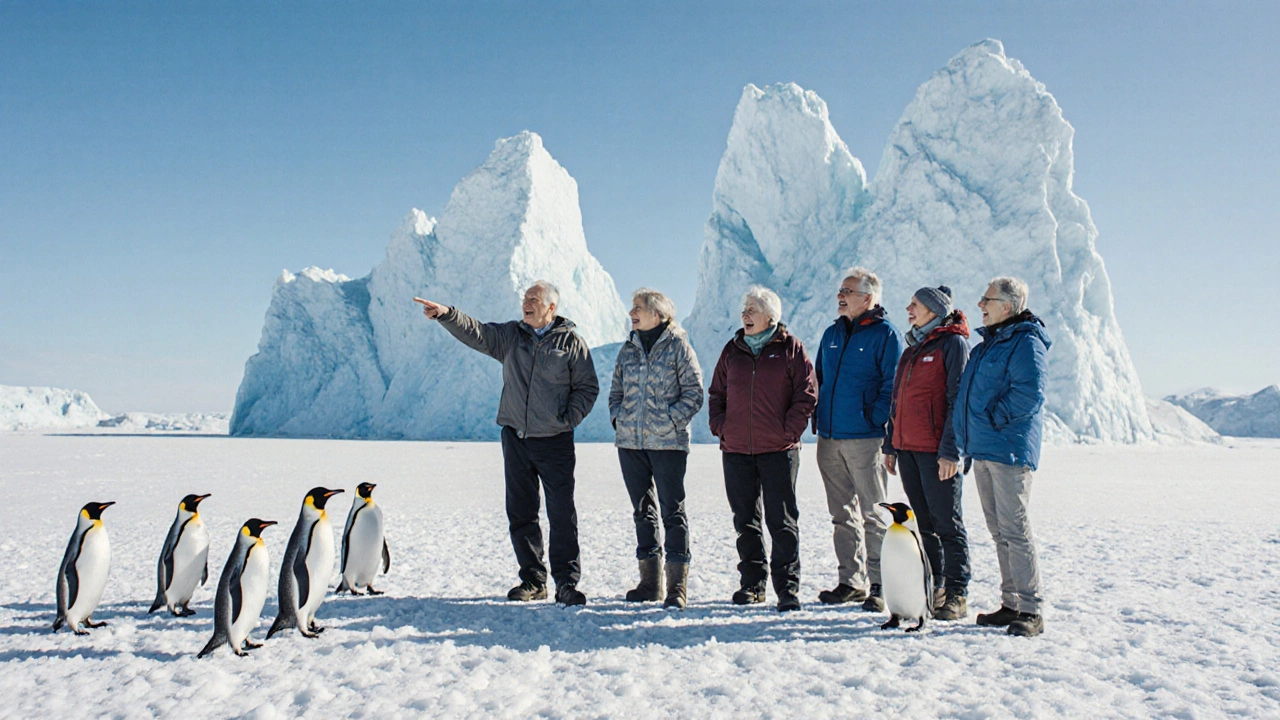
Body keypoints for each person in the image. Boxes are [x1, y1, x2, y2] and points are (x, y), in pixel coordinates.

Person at [415, 281, 598, 607]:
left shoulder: (571, 344)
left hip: (554, 442)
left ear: (550, 308)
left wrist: (566, 419)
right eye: (524, 298)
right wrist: (447, 315)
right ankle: (533, 580)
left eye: (533, 299)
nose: (525, 303)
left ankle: (567, 584)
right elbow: (479, 333)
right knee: (521, 512)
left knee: (561, 514)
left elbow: (587, 388)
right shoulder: (512, 336)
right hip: (516, 437)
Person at [708, 286, 817, 613]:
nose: (745, 315)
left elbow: (807, 395)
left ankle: (787, 589)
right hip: (737, 449)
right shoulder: (733, 350)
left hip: (778, 450)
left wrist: (788, 431)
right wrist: (722, 428)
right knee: (745, 519)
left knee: (782, 520)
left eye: (752, 309)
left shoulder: (791, 349)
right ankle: (752, 585)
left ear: (770, 316)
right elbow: (716, 394)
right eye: (744, 309)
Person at [954, 276, 1051, 637]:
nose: (980, 304)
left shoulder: (1025, 343)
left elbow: (1029, 394)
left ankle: (1031, 609)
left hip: (1008, 449)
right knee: (999, 531)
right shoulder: (988, 345)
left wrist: (993, 420)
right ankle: (1011, 603)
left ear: (1007, 306)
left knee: (1015, 530)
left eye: (987, 299)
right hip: (984, 448)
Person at [812, 268, 903, 612]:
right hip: (830, 437)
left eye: (848, 291)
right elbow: (819, 377)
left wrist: (874, 418)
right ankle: (850, 582)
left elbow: (891, 385)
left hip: (865, 439)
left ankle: (880, 586)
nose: (841, 295)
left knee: (874, 514)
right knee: (841, 515)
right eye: (840, 290)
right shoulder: (831, 334)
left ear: (868, 298)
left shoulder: (885, 335)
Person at [609, 288, 704, 609]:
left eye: (638, 308)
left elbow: (694, 392)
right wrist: (618, 419)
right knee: (642, 512)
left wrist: (671, 421)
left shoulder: (679, 347)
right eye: (632, 308)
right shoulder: (628, 349)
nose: (632, 313)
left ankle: (677, 588)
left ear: (658, 314)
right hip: (630, 444)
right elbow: (616, 391)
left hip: (668, 444)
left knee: (672, 512)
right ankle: (651, 584)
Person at [882, 286, 972, 620]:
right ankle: (937, 586)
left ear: (934, 310)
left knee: (947, 522)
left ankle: (958, 593)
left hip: (937, 453)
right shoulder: (911, 350)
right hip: (908, 450)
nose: (908, 308)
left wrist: (951, 451)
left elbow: (957, 402)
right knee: (925, 526)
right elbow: (897, 402)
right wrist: (891, 444)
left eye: (915, 304)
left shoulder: (953, 345)